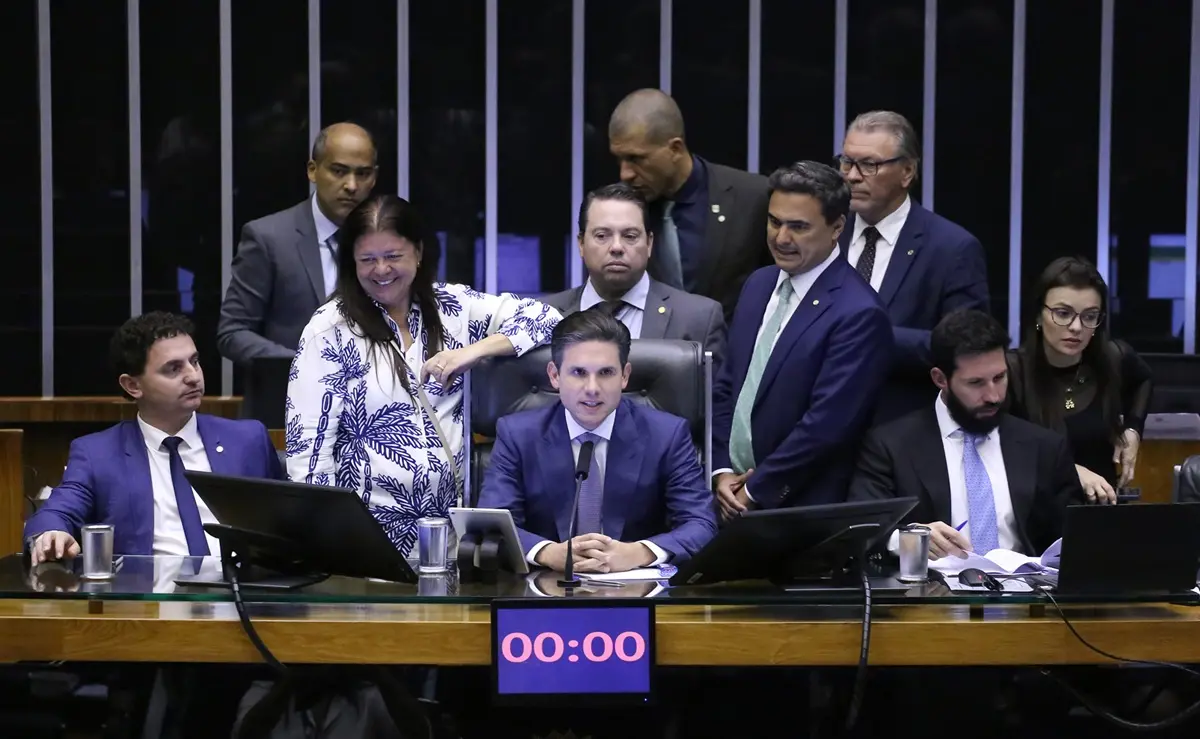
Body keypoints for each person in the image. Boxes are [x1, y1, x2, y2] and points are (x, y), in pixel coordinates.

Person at [286, 194, 561, 556]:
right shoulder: (329, 329)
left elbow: (547, 319)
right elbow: (309, 450)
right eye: (367, 259)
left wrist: (472, 352)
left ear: (417, 252)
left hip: (453, 543)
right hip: (365, 546)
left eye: (393, 256)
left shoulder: (454, 308)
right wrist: (326, 544)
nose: (381, 270)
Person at [712, 161, 893, 516]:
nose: (781, 238)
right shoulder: (759, 284)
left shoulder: (859, 313)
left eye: (798, 227)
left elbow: (825, 427)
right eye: (775, 222)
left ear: (837, 227)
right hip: (728, 499)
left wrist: (754, 490)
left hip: (798, 512)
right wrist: (721, 472)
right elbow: (727, 385)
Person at [25, 312, 283, 562]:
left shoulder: (248, 439)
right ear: (133, 386)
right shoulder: (97, 454)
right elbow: (56, 512)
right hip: (150, 600)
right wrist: (50, 533)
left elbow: (289, 525)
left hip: (243, 594)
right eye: (173, 369)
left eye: (194, 361)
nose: (193, 376)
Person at [477, 309, 717, 571]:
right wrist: (547, 552)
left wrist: (640, 552)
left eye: (606, 373)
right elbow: (495, 524)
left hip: (637, 590)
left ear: (624, 376)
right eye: (578, 372)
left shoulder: (667, 435)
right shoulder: (517, 435)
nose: (592, 388)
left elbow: (701, 524)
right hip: (544, 589)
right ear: (554, 375)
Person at [849, 310, 1083, 559]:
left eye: (999, 377)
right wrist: (910, 539)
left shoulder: (1044, 447)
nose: (993, 396)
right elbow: (861, 528)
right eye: (976, 383)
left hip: (1027, 592)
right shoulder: (891, 445)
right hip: (928, 593)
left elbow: (1077, 538)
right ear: (941, 379)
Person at [836, 111, 989, 422]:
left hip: (901, 434)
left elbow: (966, 347)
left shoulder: (952, 249)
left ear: (907, 171)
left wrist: (869, 338)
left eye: (869, 165)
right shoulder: (826, 232)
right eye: (847, 162)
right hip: (819, 433)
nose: (852, 175)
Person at [218, 122, 378, 364]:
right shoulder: (269, 238)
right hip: (288, 395)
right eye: (338, 171)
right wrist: (301, 366)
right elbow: (233, 332)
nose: (351, 185)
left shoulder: (385, 243)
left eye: (362, 174)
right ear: (313, 170)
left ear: (374, 177)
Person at [608, 88, 770, 320]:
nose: (625, 174)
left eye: (636, 159)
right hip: (645, 353)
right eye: (619, 159)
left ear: (674, 148)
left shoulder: (752, 197)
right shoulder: (616, 209)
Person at [1007, 257, 1153, 504]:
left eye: (1089, 316)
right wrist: (1069, 470)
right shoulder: (1012, 371)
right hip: (1033, 515)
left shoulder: (1112, 358)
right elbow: (1000, 451)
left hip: (1099, 514)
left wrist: (1133, 429)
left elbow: (1144, 380)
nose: (1076, 327)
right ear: (1039, 315)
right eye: (1063, 314)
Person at [541, 182, 727, 365]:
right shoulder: (542, 315)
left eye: (630, 236)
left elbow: (713, 395)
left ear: (649, 244)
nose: (616, 247)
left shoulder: (698, 319)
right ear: (581, 244)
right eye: (602, 235)